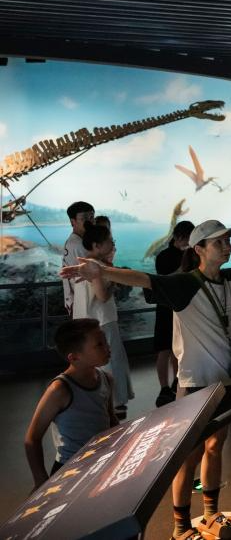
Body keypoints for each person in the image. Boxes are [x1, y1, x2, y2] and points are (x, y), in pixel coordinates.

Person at [61, 219, 231, 540]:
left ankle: (211, 514)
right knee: (188, 457)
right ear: (199, 249)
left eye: (228, 241)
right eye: (219, 242)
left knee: (216, 446)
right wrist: (101, 271)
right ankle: (180, 526)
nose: (227, 246)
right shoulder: (185, 284)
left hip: (226, 383)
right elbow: (144, 279)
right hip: (197, 385)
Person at [24, 318, 116, 491]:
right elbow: (32, 439)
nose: (107, 347)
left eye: (105, 342)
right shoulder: (59, 390)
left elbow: (110, 419)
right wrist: (41, 481)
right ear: (74, 357)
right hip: (69, 470)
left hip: (100, 462)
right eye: (99, 345)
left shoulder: (106, 379)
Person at [73, 224, 133, 420]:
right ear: (96, 245)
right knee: (111, 360)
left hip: (90, 320)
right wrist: (114, 281)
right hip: (103, 320)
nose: (113, 244)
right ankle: (116, 403)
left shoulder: (87, 263)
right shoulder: (94, 266)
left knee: (100, 362)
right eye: (110, 241)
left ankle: (108, 403)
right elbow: (102, 295)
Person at [153, 220, 194, 407]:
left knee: (179, 347)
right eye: (187, 238)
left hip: (183, 307)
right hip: (165, 306)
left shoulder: (192, 255)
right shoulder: (163, 256)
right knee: (164, 348)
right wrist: (183, 266)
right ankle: (163, 387)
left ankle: (177, 381)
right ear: (178, 237)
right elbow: (163, 280)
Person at [62, 201, 94, 315]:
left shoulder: (77, 241)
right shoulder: (77, 245)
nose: (89, 222)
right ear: (73, 222)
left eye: (92, 217)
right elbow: (93, 273)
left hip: (79, 300)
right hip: (84, 301)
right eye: (84, 218)